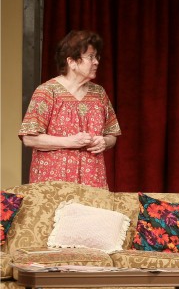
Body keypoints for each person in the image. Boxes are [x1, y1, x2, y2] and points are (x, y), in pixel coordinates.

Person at [18, 29, 121, 189]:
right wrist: (70, 141)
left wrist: (104, 141)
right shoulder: (47, 91)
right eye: (90, 57)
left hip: (92, 182)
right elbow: (29, 138)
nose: (96, 62)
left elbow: (112, 134)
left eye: (97, 57)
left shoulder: (99, 93)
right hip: (54, 184)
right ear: (71, 62)